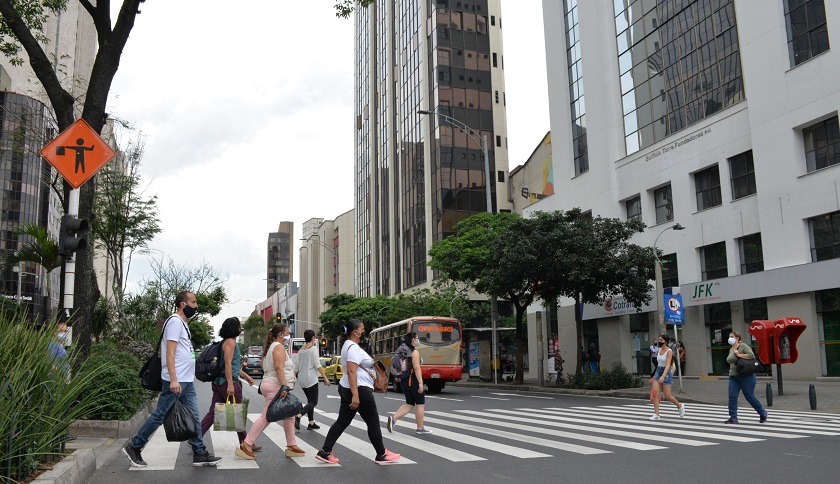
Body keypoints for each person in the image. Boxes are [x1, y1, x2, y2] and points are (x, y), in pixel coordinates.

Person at [123, 291, 222, 467]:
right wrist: (174, 379)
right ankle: (134, 446)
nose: (196, 305)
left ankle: (199, 452)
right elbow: (170, 352)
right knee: (160, 415)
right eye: (193, 302)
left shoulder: (182, 323)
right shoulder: (175, 322)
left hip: (186, 380)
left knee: (193, 415)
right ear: (183, 304)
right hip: (176, 380)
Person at [316, 319, 400, 464]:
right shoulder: (353, 348)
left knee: (342, 422)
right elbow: (351, 371)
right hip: (358, 389)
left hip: (349, 387)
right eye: (362, 328)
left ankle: (325, 451)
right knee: (373, 422)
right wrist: (356, 395)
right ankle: (381, 454)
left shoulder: (348, 346)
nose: (363, 331)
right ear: (355, 331)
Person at [238, 323, 304, 459]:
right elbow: (279, 368)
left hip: (271, 384)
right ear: (281, 334)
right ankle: (247, 443)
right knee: (266, 417)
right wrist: (284, 386)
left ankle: (291, 445)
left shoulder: (270, 348)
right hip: (276, 385)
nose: (288, 335)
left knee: (289, 414)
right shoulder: (278, 347)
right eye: (287, 333)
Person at [199, 317, 258, 452]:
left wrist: (246, 376)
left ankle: (196, 437)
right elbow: (227, 364)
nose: (240, 328)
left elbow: (233, 366)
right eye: (239, 326)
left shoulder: (223, 343)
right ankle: (246, 443)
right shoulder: (230, 342)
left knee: (213, 413)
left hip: (219, 383)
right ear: (235, 328)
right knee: (238, 412)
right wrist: (231, 384)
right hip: (227, 383)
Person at [387, 332, 431, 435]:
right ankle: (420, 428)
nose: (418, 340)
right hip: (413, 380)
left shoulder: (401, 349)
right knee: (420, 404)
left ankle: (393, 419)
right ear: (412, 339)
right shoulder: (413, 352)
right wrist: (420, 383)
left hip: (404, 380)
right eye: (416, 338)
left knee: (409, 403)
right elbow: (416, 368)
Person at [725, 332, 769, 424]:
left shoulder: (743, 346)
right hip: (733, 376)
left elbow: (751, 355)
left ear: (737, 338)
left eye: (732, 337)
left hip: (746, 376)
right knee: (732, 396)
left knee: (749, 396)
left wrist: (739, 355)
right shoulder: (731, 349)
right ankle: (733, 417)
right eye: (729, 337)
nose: (730, 338)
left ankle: (762, 412)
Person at [295, 329, 331, 431]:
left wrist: (293, 378)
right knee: (314, 402)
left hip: (302, 379)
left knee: (310, 401)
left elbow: (296, 366)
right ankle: (299, 416)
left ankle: (311, 422)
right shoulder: (313, 349)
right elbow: (317, 364)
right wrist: (325, 378)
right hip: (311, 378)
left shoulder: (301, 350)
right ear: (313, 338)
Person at [649, 333, 685, 421]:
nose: (659, 341)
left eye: (661, 340)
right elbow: (659, 364)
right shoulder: (659, 350)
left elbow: (668, 365)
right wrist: (656, 376)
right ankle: (656, 414)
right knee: (655, 393)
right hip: (658, 371)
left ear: (666, 342)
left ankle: (680, 406)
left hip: (666, 372)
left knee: (667, 396)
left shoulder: (669, 351)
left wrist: (663, 376)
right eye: (659, 339)